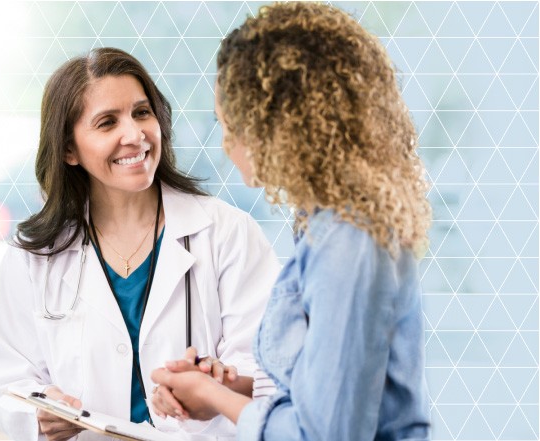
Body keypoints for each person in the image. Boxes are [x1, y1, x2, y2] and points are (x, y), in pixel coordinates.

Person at [150, 2, 433, 440]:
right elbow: (321, 391)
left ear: (278, 126)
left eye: (231, 124)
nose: (226, 143)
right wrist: (221, 388)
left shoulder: (348, 243)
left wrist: (218, 399)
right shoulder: (326, 228)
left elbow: (322, 433)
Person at [0, 47, 280, 441]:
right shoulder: (34, 256)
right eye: (107, 123)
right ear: (69, 149)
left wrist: (215, 382)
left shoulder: (227, 233)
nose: (135, 135)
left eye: (142, 113)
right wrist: (39, 410)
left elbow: (270, 368)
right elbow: (3, 379)